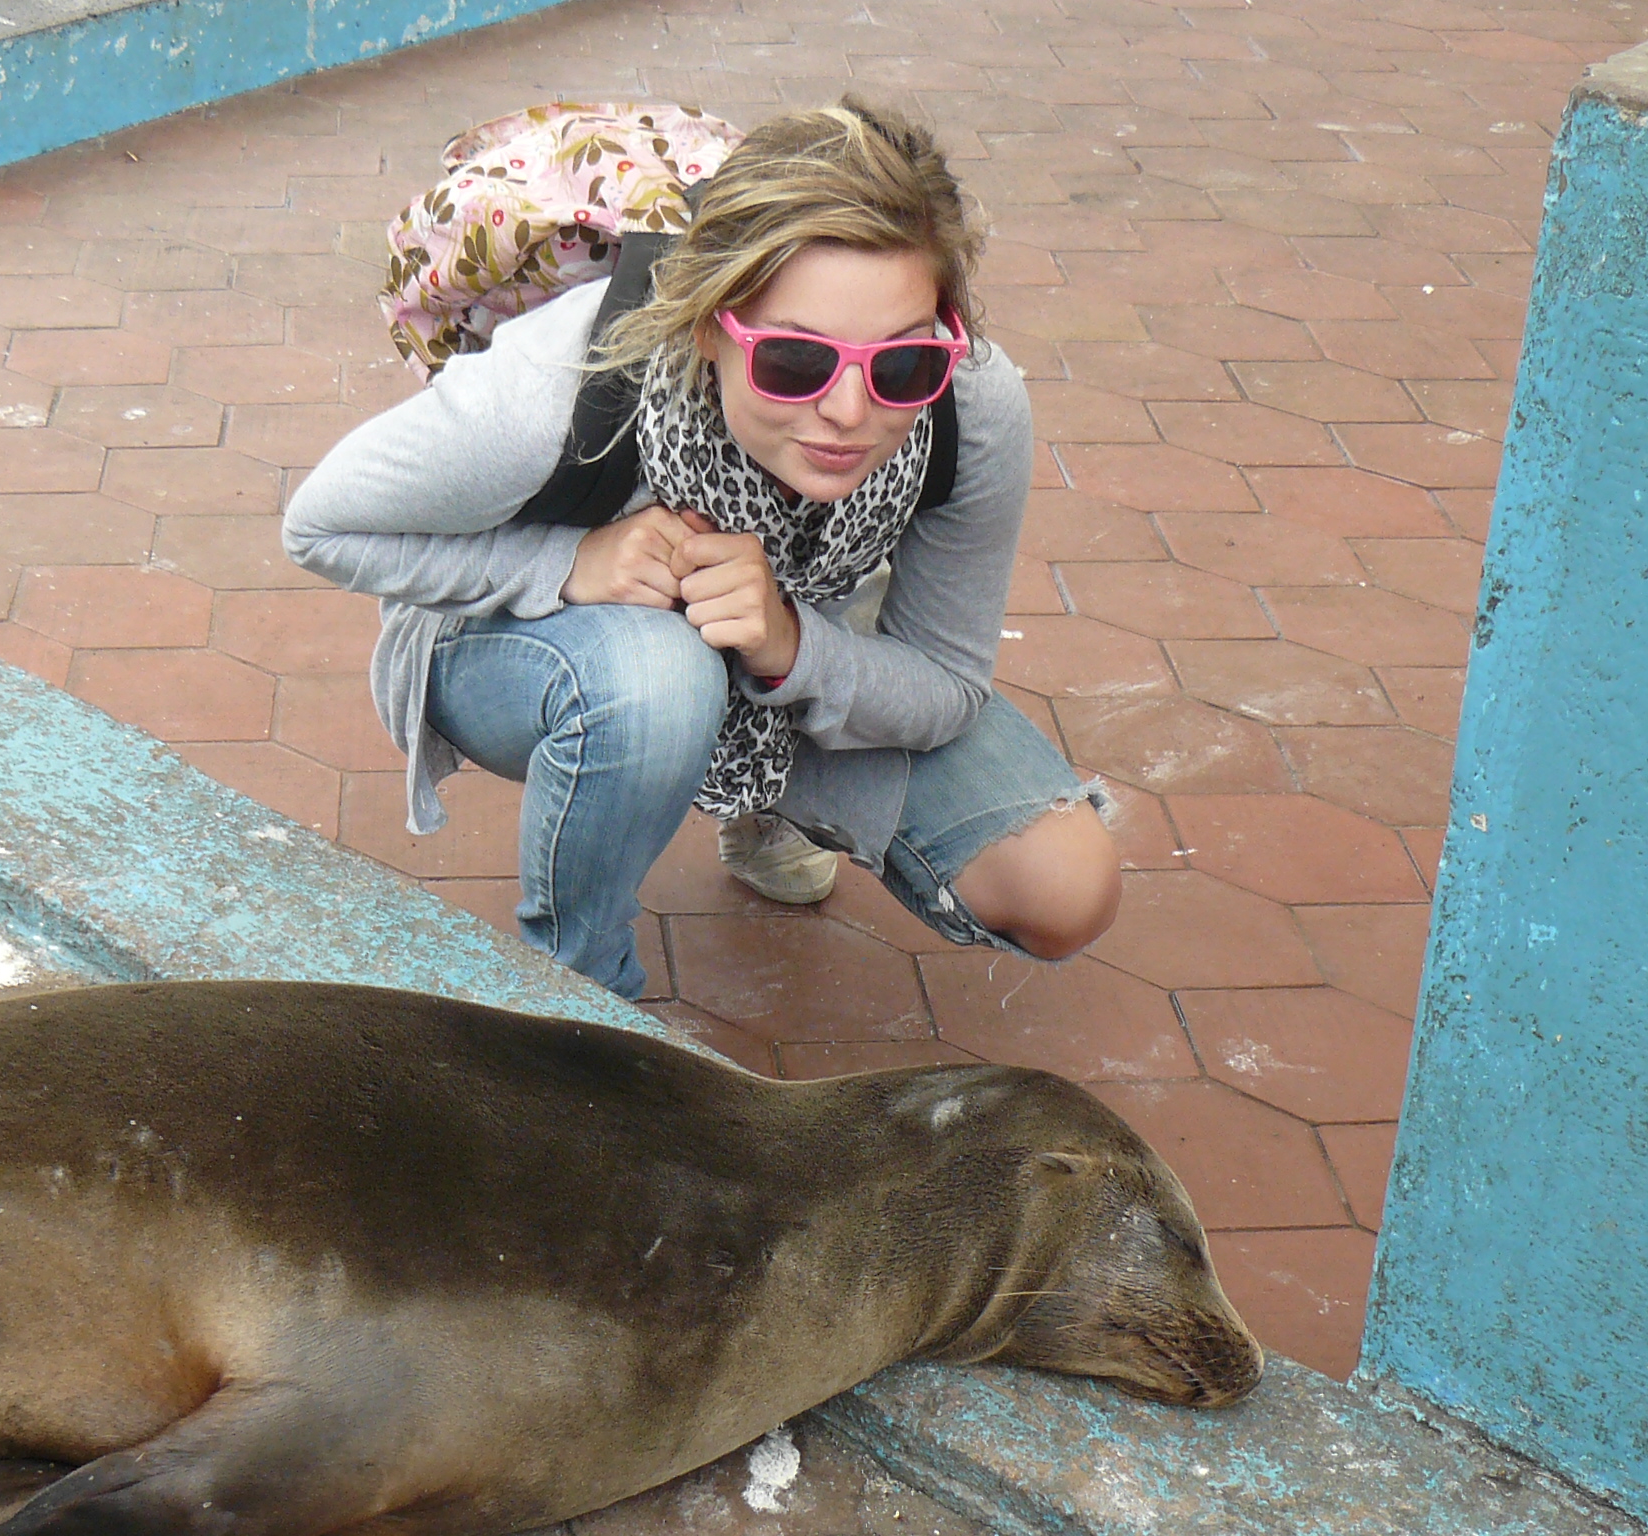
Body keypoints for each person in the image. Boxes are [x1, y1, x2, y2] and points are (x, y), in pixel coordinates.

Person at [281, 98, 1119, 1001]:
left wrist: (789, 644)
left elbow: (947, 684)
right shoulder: (559, 386)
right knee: (657, 679)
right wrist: (569, 564)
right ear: (710, 325)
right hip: (517, 634)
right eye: (795, 361)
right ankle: (580, 994)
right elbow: (319, 526)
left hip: (790, 646)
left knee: (1067, 885)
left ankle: (766, 795)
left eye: (900, 365)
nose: (849, 411)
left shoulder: (973, 403)